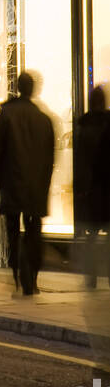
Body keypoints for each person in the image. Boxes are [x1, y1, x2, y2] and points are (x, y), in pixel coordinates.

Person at [0, 70, 55, 297]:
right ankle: (32, 278)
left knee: (13, 231)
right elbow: (49, 158)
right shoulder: (43, 120)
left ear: (18, 87)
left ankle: (17, 273)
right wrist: (44, 185)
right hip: (35, 188)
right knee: (34, 232)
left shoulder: (6, 114)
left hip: (12, 186)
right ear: (33, 89)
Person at [73, 85, 110, 288]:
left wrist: (80, 189)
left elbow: (80, 161)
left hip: (92, 188)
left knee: (91, 233)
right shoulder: (108, 124)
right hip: (107, 187)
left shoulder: (83, 126)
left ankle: (91, 277)